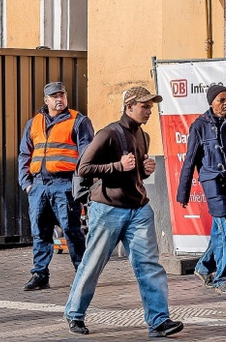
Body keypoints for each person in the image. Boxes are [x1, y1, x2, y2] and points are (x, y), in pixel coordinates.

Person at [64, 86, 184, 338]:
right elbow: (83, 168)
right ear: (129, 107)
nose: (149, 110)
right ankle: (74, 314)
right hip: (108, 210)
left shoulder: (144, 136)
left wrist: (145, 169)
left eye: (151, 106)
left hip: (139, 210)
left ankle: (159, 321)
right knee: (93, 263)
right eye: (144, 106)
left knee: (149, 265)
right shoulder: (108, 133)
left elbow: (135, 173)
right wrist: (117, 165)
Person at [18, 81, 94, 291]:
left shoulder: (78, 121)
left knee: (71, 229)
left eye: (62, 95)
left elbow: (87, 155)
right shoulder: (34, 123)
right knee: (40, 232)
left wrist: (79, 185)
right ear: (46, 100)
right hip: (38, 186)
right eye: (54, 96)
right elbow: (25, 154)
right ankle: (40, 274)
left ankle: (82, 272)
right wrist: (26, 184)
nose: (59, 99)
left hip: (65, 184)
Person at [176, 84, 226, 296]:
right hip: (213, 183)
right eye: (221, 100)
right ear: (211, 103)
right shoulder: (199, 125)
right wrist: (184, 192)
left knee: (220, 229)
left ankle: (203, 266)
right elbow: (189, 161)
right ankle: (223, 278)